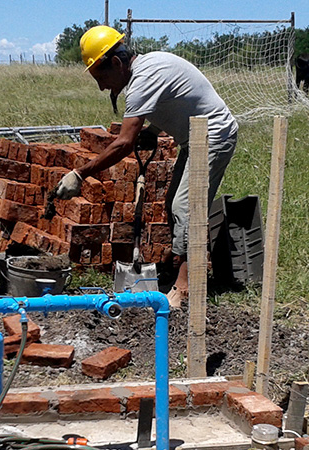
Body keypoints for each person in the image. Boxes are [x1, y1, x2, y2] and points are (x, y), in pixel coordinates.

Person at [55, 26, 239, 308]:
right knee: (172, 203)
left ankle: (186, 286)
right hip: (195, 137)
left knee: (187, 208)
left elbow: (123, 143)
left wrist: (80, 173)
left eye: (101, 77)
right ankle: (178, 262)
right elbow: (178, 100)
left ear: (116, 63)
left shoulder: (142, 80)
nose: (102, 86)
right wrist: (154, 129)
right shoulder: (148, 67)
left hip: (213, 136)